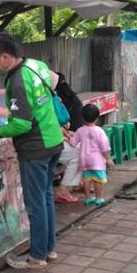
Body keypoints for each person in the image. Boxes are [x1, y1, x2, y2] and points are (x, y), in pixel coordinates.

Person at [0, 35, 63, 269]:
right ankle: (49, 249)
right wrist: (10, 111)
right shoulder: (36, 64)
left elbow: (22, 125)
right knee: (46, 196)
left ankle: (37, 257)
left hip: (36, 148)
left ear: (5, 57)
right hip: (53, 140)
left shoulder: (17, 81)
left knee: (35, 202)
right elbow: (40, 100)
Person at [70, 103, 114, 207]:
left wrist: (69, 135)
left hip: (84, 159)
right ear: (97, 118)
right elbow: (104, 147)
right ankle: (98, 199)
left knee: (87, 179)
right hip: (97, 161)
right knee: (98, 180)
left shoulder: (80, 130)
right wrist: (108, 159)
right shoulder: (99, 131)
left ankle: (88, 198)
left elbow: (73, 143)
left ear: (83, 117)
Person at [54, 74, 84, 204]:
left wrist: (65, 132)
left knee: (82, 150)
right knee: (78, 154)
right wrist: (62, 134)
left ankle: (77, 183)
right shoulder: (46, 98)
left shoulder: (53, 97)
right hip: (47, 142)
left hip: (55, 138)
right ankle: (63, 189)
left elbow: (55, 122)